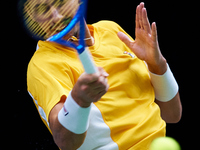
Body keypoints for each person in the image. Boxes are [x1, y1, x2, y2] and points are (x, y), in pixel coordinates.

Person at [27, 0, 182, 149]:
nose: (56, 17)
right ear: (32, 16)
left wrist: (157, 65)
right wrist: (79, 99)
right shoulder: (42, 64)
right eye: (42, 9)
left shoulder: (111, 30)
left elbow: (172, 114)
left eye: (60, 2)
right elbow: (65, 141)